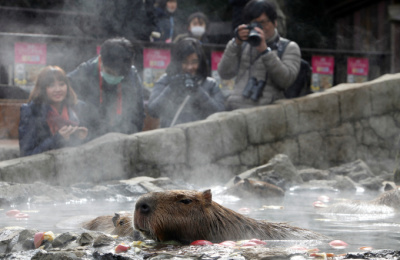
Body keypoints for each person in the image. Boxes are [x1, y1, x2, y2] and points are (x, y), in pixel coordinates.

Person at [218, 0, 300, 110]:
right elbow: (224, 73)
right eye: (254, 24)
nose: (259, 28)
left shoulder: (289, 47)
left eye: (263, 23)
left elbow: (286, 81)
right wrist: (235, 44)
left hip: (268, 112)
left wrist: (265, 51)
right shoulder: (242, 45)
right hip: (236, 109)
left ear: (275, 22)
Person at [68, 37, 145, 136]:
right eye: (110, 72)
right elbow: (65, 90)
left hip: (121, 134)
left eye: (119, 75)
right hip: (90, 134)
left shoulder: (131, 75)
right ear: (101, 60)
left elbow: (138, 114)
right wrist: (84, 108)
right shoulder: (86, 71)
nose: (114, 77)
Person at [19, 66, 98, 157]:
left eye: (61, 84)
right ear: (43, 89)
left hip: (75, 166)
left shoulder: (79, 107)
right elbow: (26, 155)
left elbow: (94, 141)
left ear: (67, 86)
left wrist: (84, 138)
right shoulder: (32, 111)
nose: (58, 90)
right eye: (51, 85)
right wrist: (58, 139)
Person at [147, 38, 225, 128]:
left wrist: (198, 91)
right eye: (185, 62)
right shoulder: (166, 80)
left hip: (201, 136)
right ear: (178, 62)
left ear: (200, 62)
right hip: (172, 137)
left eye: (194, 62)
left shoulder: (210, 84)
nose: (190, 67)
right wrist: (172, 87)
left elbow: (219, 114)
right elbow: (153, 111)